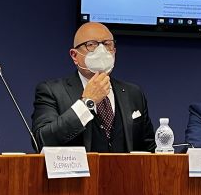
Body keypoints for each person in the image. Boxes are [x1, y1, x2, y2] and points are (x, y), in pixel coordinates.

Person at [32, 22, 155, 152]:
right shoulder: (52, 91)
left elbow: (149, 148)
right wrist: (87, 103)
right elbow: (42, 140)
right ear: (74, 55)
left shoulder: (133, 93)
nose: (101, 51)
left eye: (107, 44)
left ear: (114, 51)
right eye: (91, 45)